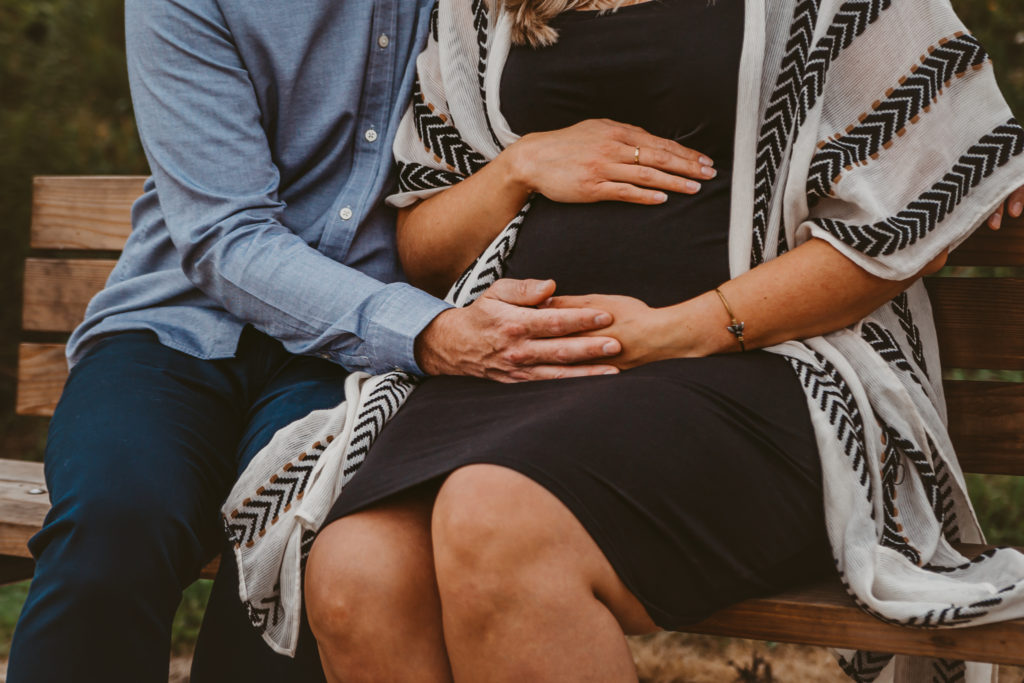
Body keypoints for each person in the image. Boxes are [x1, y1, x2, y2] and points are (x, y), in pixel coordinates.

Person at [298, 0, 1024, 681]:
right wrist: (520, 167)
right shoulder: (482, 9)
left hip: (755, 372)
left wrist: (683, 328)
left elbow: (916, 217)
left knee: (497, 516)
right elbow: (423, 247)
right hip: (516, 374)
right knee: (353, 572)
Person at [4, 1, 653, 682]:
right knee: (112, 528)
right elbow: (225, 237)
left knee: (298, 550)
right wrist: (426, 332)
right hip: (180, 325)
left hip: (355, 364)